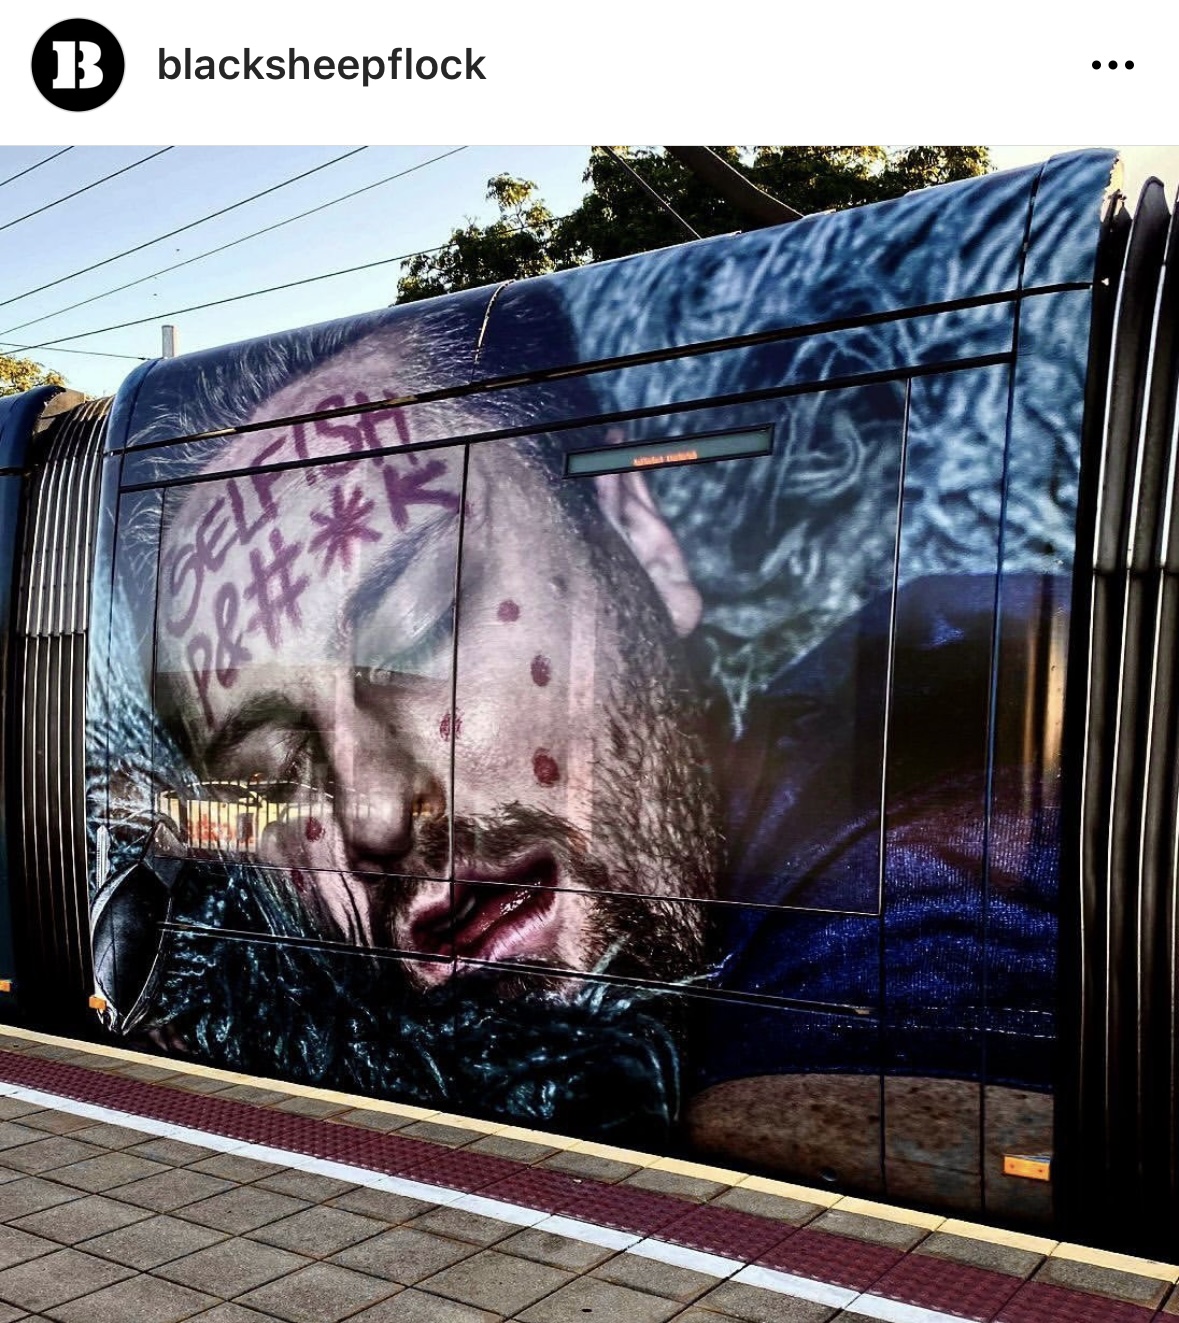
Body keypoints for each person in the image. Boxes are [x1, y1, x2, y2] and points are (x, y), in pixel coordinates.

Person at [92, 297, 1059, 1182]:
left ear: (637, 527)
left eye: (419, 630)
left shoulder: (941, 751)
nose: (373, 807)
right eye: (270, 771)